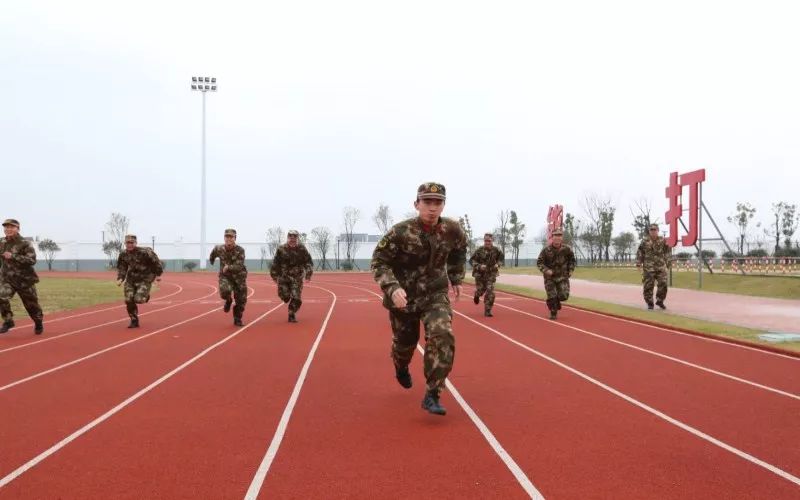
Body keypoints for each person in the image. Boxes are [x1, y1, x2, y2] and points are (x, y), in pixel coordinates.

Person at [371, 182, 467, 416]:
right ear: (417, 204)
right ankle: (401, 366)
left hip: (435, 294)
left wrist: (455, 277)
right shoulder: (400, 232)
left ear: (443, 206)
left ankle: (433, 393)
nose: (432, 208)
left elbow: (459, 251)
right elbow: (379, 261)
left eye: (437, 203)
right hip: (403, 297)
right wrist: (392, 288)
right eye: (427, 202)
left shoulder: (452, 230)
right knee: (405, 344)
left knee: (442, 334)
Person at [0, 219, 44, 335]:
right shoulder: (2, 242)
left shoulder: (25, 243)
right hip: (7, 279)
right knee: (1, 297)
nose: (8, 229)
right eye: (6, 227)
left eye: (11, 227)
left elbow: (32, 260)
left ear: (18, 228)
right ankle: (8, 321)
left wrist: (13, 256)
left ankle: (38, 321)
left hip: (25, 280)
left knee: (32, 305)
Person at [116, 234, 163, 328]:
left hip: (145, 279)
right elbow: (122, 267)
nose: (129, 245)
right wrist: (121, 278)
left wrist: (158, 274)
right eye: (127, 243)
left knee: (138, 299)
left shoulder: (145, 252)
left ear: (135, 243)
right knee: (128, 299)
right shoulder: (123, 254)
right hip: (131, 279)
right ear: (125, 243)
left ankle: (145, 296)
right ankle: (134, 320)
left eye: (131, 243)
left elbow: (156, 262)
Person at [270, 229, 313, 323]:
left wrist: (308, 275)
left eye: (295, 237)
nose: (292, 239)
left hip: (297, 278)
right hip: (283, 277)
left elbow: (308, 262)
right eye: (290, 236)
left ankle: (291, 313)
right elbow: (275, 263)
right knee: (285, 297)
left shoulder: (302, 249)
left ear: (297, 238)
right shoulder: (281, 249)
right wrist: (274, 276)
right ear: (287, 237)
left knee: (297, 298)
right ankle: (284, 296)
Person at [209, 228, 248, 326]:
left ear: (235, 238)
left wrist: (229, 267)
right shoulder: (219, 248)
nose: (229, 239)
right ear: (224, 238)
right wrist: (212, 260)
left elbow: (239, 266)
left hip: (239, 278)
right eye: (227, 236)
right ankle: (228, 300)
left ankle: (237, 318)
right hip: (225, 276)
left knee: (241, 301)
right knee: (224, 291)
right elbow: (213, 254)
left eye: (231, 237)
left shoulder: (240, 250)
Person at [536, 227, 576, 320]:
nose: (557, 237)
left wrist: (570, 270)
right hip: (550, 278)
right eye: (555, 235)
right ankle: (553, 312)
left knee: (564, 296)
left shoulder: (567, 249)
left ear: (561, 238)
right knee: (552, 296)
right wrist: (546, 270)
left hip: (563, 277)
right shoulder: (546, 250)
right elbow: (539, 263)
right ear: (552, 237)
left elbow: (572, 261)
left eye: (559, 235)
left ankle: (553, 301)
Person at [636, 223, 671, 310]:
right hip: (648, 267)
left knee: (663, 283)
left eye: (655, 230)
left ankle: (660, 300)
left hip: (660, 266)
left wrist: (668, 261)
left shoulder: (662, 240)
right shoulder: (645, 241)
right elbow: (640, 252)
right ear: (649, 231)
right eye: (651, 230)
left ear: (658, 231)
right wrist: (639, 262)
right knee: (648, 286)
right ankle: (650, 302)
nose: (653, 231)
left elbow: (667, 251)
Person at [469, 232, 504, 317]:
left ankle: (487, 310)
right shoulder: (479, 250)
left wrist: (498, 264)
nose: (487, 242)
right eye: (486, 241)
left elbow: (501, 259)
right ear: (484, 241)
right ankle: (477, 295)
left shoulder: (497, 250)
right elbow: (471, 261)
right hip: (480, 275)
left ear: (492, 241)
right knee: (481, 291)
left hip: (491, 274)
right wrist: (479, 266)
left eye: (489, 241)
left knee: (490, 291)